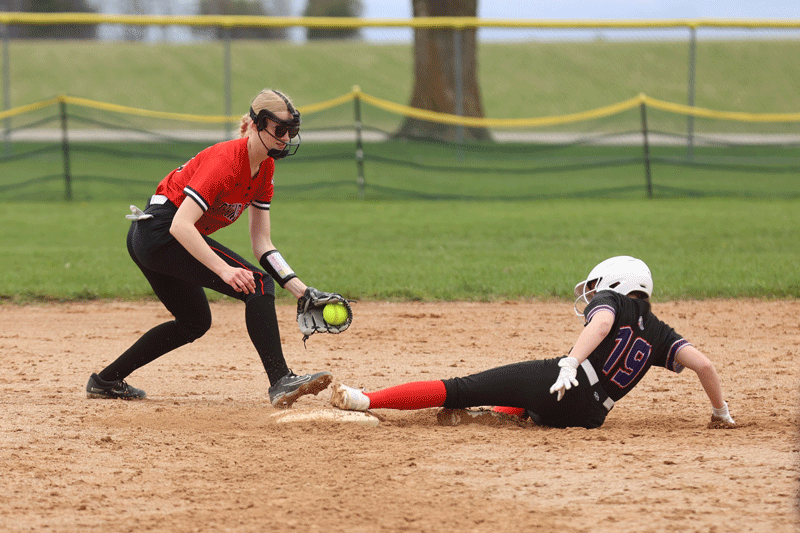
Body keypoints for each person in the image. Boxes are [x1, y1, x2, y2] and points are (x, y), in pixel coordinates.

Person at [86, 88, 340, 408]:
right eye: (279, 130)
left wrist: (301, 291)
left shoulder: (265, 170)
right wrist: (224, 269)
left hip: (157, 236)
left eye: (292, 131)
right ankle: (280, 380)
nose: (286, 138)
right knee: (257, 285)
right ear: (255, 124)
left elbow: (262, 243)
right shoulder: (226, 160)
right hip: (161, 232)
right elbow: (180, 225)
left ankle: (105, 380)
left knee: (194, 321)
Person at [331, 256, 736, 429]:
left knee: (460, 388)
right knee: (524, 401)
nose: (594, 296)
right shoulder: (661, 332)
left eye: (597, 289)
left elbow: (601, 325)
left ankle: (365, 399)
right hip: (589, 417)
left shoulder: (613, 302)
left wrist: (571, 363)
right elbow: (705, 366)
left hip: (568, 384)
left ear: (617, 286)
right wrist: (720, 413)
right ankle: (496, 414)